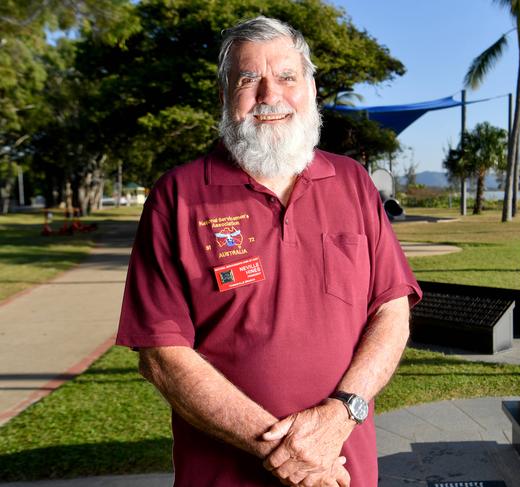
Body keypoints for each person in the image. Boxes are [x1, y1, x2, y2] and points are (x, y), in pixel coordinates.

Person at [116, 16, 421, 487]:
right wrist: (294, 452)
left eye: (286, 77)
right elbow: (161, 355)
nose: (269, 95)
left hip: (344, 475)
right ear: (224, 98)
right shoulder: (177, 196)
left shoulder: (354, 183)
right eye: (247, 80)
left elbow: (392, 311)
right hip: (229, 476)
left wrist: (340, 417)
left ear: (311, 89)